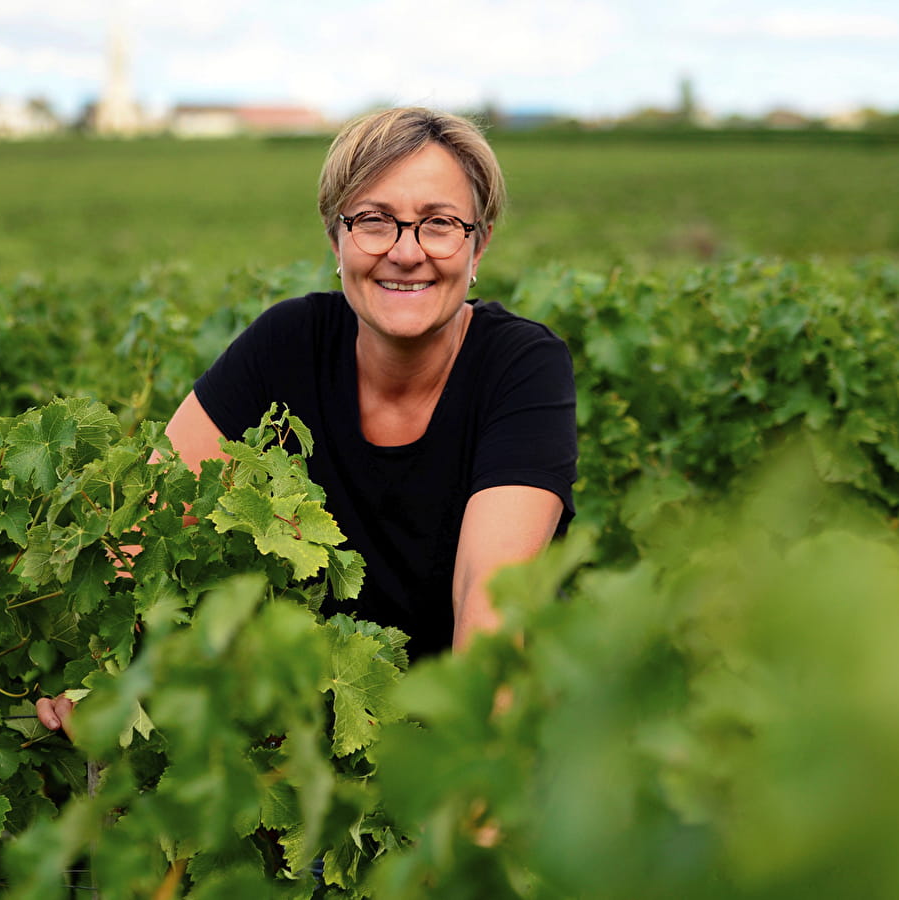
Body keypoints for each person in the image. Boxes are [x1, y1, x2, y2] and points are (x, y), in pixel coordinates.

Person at [37, 107, 576, 734]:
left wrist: (465, 791)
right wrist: (106, 682)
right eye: (374, 222)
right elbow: (151, 523)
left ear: (478, 244)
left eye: (439, 225)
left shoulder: (521, 367)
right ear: (335, 239)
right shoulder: (286, 344)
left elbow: (491, 595)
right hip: (306, 737)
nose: (407, 252)